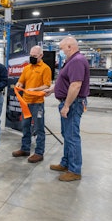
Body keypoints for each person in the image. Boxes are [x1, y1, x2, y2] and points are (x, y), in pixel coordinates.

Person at [44, 37, 89, 182]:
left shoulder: (76, 61)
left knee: (72, 136)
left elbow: (75, 85)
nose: (61, 51)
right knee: (67, 134)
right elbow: (64, 81)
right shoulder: (71, 61)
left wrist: (67, 105)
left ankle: (75, 170)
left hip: (73, 104)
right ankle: (66, 163)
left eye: (62, 48)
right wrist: (52, 90)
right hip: (69, 102)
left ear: (70, 47)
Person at [12, 45, 52, 163]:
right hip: (26, 102)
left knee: (39, 128)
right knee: (25, 126)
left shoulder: (46, 68)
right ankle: (25, 149)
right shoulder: (27, 68)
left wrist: (35, 89)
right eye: (30, 55)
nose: (32, 58)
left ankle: (39, 152)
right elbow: (21, 81)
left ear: (41, 55)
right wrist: (19, 84)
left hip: (37, 103)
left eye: (34, 56)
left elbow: (47, 85)